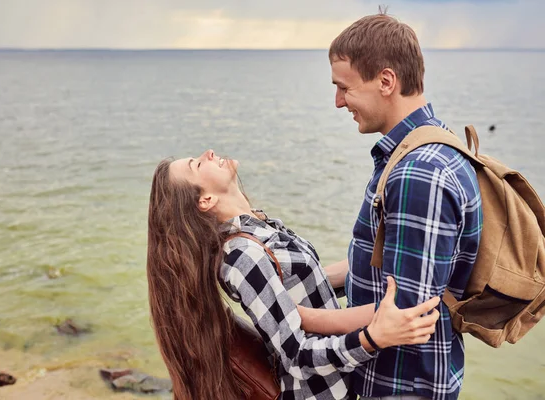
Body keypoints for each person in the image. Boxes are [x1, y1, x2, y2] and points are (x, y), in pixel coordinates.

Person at [147, 150, 441, 400]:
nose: (208, 153)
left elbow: (309, 283)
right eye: (197, 165)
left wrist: (398, 260)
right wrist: (373, 338)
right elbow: (296, 354)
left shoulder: (258, 227)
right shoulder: (240, 255)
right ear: (205, 200)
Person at [329, 11, 482, 400]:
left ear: (386, 81)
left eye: (344, 87)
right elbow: (387, 266)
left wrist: (294, 318)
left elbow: (406, 313)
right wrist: (294, 275)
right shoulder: (424, 147)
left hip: (401, 387)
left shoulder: (420, 173)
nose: (338, 101)